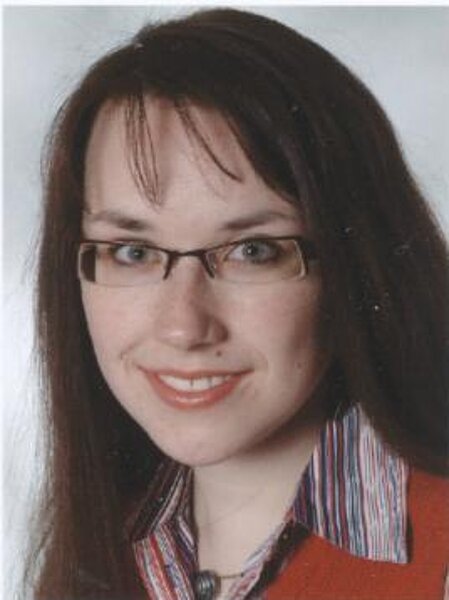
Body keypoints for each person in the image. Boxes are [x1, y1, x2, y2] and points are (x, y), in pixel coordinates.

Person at [28, 7, 448, 600]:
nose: (183, 326)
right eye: (132, 251)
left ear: (355, 264)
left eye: (253, 251)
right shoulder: (99, 555)